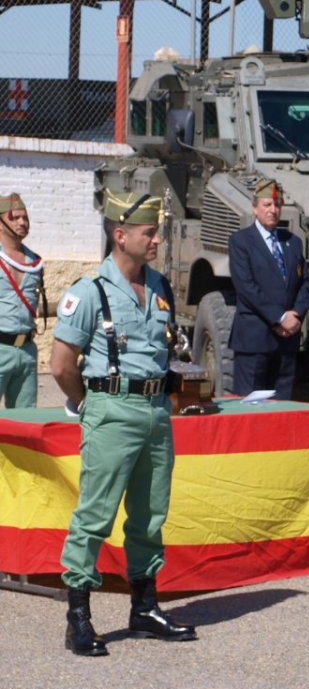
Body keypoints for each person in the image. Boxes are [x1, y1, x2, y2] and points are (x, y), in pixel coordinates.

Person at [49, 189, 197, 657]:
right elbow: (61, 365)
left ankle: (144, 608)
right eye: (149, 233)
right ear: (120, 235)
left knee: (151, 513)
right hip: (111, 409)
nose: (156, 241)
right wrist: (91, 406)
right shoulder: (89, 291)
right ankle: (78, 617)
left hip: (155, 411)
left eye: (157, 233)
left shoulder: (159, 286)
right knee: (95, 515)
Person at [228, 179, 309, 400]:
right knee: (250, 406)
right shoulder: (241, 241)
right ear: (255, 208)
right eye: (267, 204)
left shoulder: (293, 242)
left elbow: (304, 284)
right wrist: (280, 317)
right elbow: (246, 287)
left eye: (277, 205)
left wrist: (296, 315)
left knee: (281, 406)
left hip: (286, 341)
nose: (273, 210)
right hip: (255, 339)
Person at [0, 192, 43, 408]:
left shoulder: (35, 262)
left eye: (25, 217)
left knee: (25, 419)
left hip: (27, 349)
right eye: (15, 218)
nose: (22, 222)